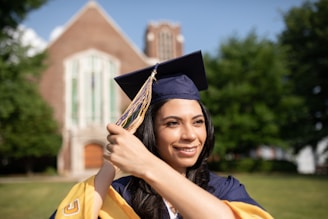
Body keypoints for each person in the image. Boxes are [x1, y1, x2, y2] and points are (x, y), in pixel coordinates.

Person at [50, 51, 274, 219]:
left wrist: (147, 164)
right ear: (150, 131)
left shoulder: (223, 189)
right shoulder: (122, 195)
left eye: (198, 122)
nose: (190, 135)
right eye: (172, 123)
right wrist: (110, 164)